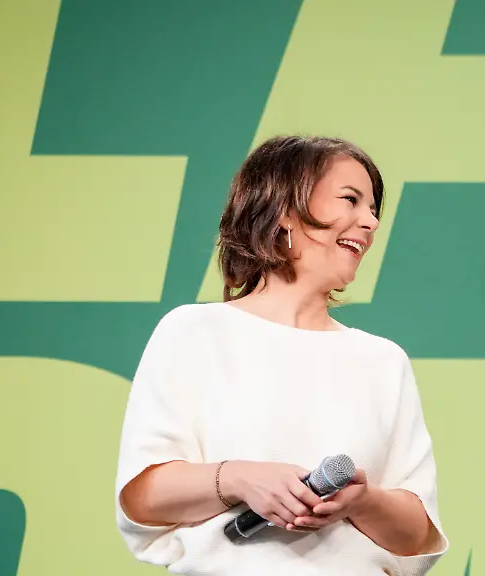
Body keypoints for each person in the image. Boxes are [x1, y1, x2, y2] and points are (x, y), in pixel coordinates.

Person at [115, 135, 449, 575]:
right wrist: (239, 479)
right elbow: (141, 497)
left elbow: (419, 537)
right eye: (350, 200)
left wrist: (364, 501)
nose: (369, 223)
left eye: (372, 210)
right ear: (284, 210)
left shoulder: (384, 361)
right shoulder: (193, 333)